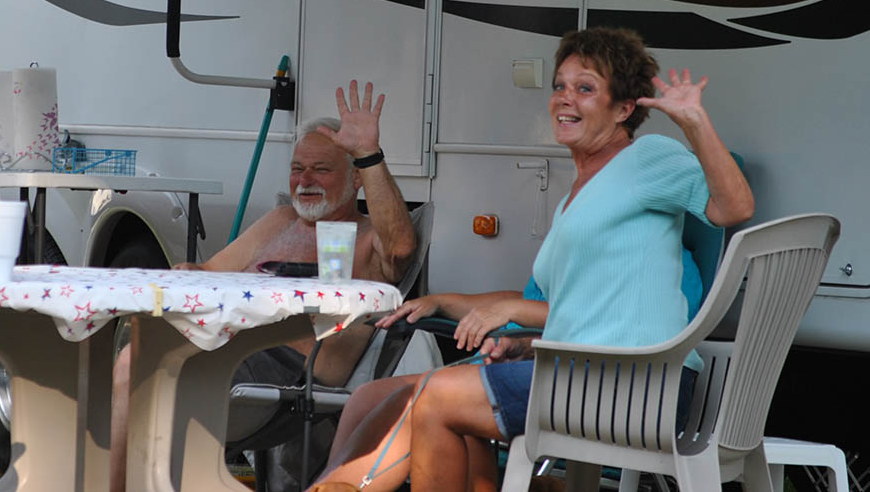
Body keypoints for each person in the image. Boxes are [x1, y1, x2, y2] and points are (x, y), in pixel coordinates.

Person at [310, 27, 754, 492]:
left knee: (434, 396)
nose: (565, 98)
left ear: (624, 109)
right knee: (448, 404)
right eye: (560, 86)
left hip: (637, 387)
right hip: (590, 375)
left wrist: (695, 123)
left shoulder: (646, 158)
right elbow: (590, 313)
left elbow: (735, 208)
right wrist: (525, 343)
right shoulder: (573, 203)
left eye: (585, 89)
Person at [110, 79, 419, 492]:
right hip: (228, 343)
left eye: (322, 169)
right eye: (297, 168)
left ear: (356, 179)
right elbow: (211, 272)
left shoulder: (366, 238)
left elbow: (400, 248)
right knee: (131, 357)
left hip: (294, 370)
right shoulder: (280, 222)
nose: (305, 179)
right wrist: (186, 272)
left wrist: (369, 155)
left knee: (145, 370)